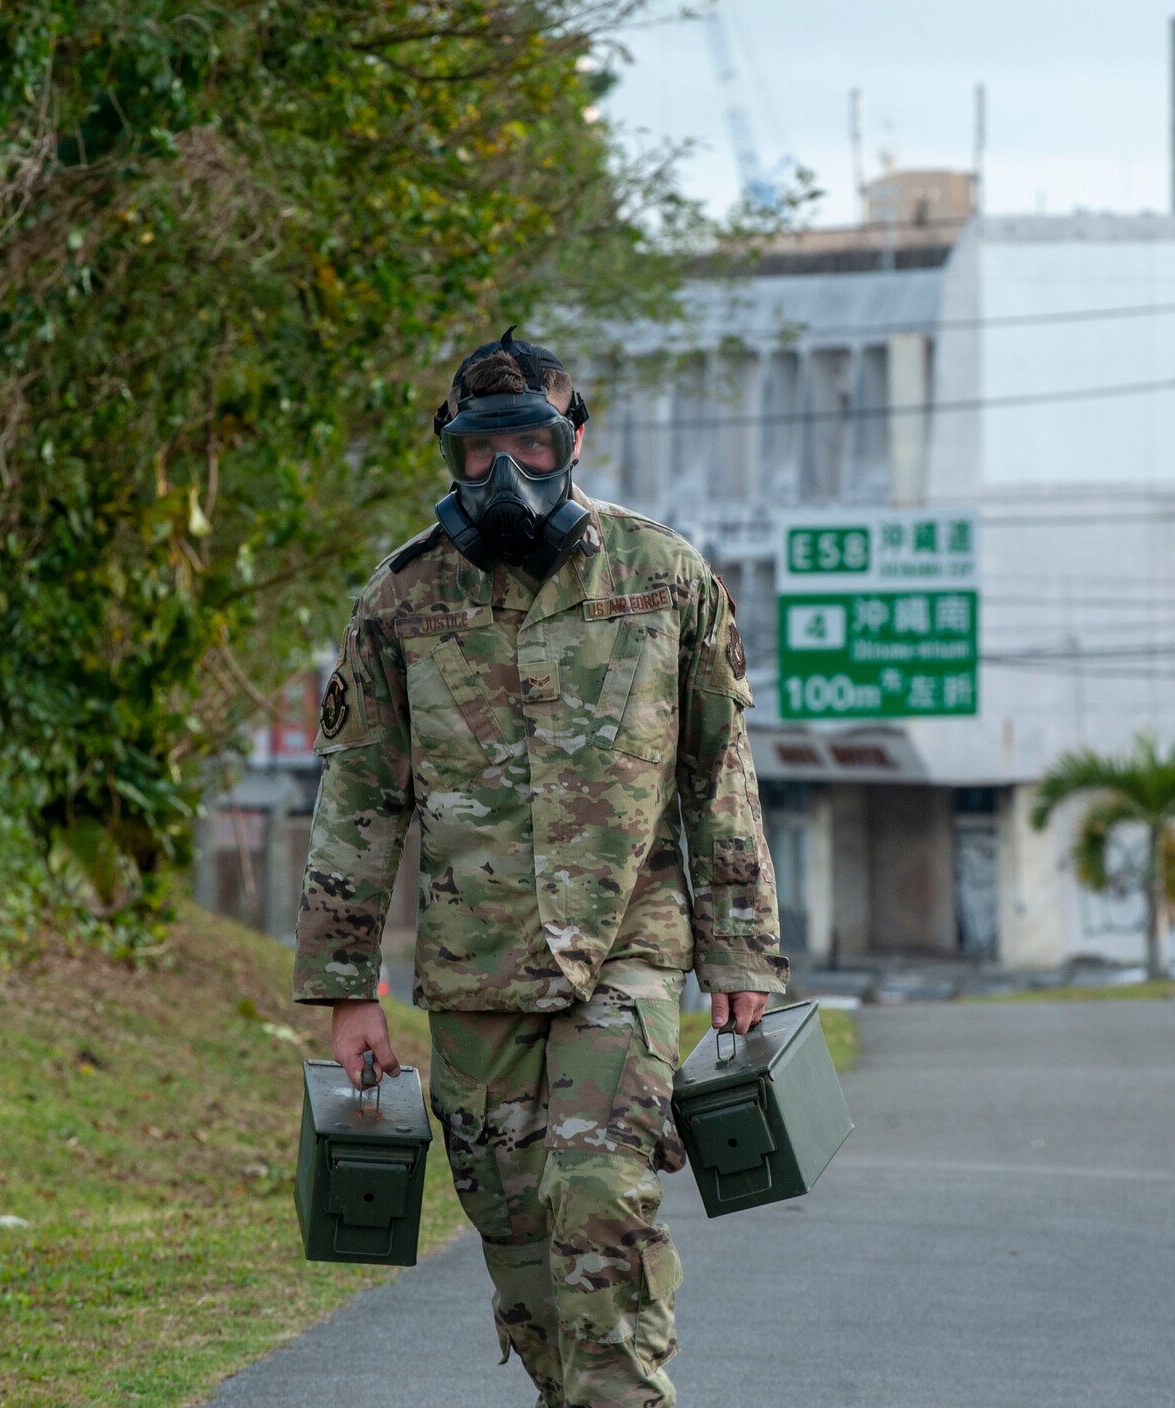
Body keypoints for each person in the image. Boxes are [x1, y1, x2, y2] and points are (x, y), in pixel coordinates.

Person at [292, 329, 788, 1408]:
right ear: (450, 453)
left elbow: (716, 774)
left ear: (574, 440)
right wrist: (344, 989)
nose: (507, 470)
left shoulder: (664, 579)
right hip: (475, 970)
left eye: (532, 440)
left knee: (598, 1201)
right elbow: (361, 799)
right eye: (480, 449)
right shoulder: (400, 603)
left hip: (627, 952)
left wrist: (740, 949)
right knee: (514, 1229)